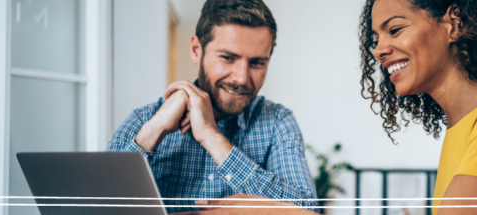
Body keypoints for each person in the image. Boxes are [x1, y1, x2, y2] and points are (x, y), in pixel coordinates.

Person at [175, 0, 477, 214]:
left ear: (455, 22)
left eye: (394, 29)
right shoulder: (464, 127)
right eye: (375, 37)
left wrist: (277, 214)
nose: (379, 48)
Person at [106, 0, 319, 214]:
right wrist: (155, 131)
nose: (242, 78)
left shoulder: (277, 121)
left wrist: (211, 137)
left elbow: (307, 211)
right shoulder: (145, 119)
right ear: (196, 50)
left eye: (256, 63)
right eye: (227, 58)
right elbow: (97, 205)